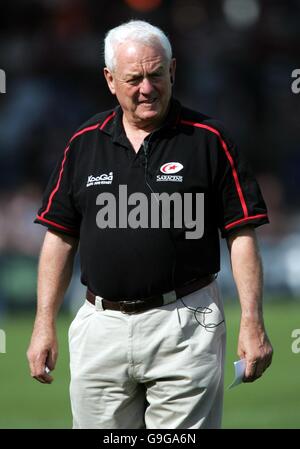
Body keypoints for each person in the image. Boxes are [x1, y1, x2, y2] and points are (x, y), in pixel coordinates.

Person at [27, 20, 273, 429]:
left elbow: (242, 234)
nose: (147, 88)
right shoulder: (83, 142)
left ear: (173, 70)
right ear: (109, 80)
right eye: (134, 78)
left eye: (156, 74)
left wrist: (252, 322)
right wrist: (43, 325)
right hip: (100, 325)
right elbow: (59, 237)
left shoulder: (210, 139)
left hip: (186, 324)